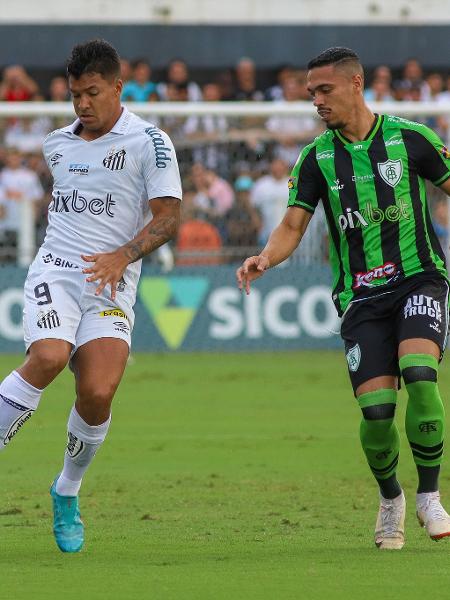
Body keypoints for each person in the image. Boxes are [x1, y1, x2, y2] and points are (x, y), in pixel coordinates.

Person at [236, 47, 450, 551]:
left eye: (323, 90)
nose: (315, 101)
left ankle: (430, 495)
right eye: (311, 92)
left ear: (356, 85)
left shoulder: (411, 139)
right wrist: (265, 258)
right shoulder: (315, 159)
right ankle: (391, 497)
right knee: (376, 412)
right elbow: (293, 224)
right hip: (360, 297)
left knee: (420, 374)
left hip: (419, 278)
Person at [0, 39, 182, 553]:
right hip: (56, 270)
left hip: (112, 281)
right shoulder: (57, 143)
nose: (82, 104)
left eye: (92, 93)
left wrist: (123, 255)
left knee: (98, 392)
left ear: (118, 87)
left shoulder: (150, 141)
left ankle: (67, 489)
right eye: (76, 94)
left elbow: (169, 216)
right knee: (49, 356)